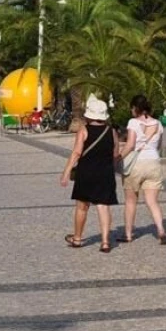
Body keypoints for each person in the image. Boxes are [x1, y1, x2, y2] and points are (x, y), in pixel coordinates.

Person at [60, 95, 119, 253]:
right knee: (103, 207)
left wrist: (66, 172)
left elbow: (76, 153)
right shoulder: (111, 132)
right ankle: (105, 242)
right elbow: (115, 155)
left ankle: (77, 239)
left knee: (82, 207)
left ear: (89, 115)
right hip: (105, 174)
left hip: (86, 173)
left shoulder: (83, 130)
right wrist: (110, 169)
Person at [117, 94, 166, 245]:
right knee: (152, 201)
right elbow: (159, 146)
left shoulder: (133, 122)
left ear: (135, 108)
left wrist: (118, 157)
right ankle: (160, 230)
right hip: (154, 163)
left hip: (136, 164)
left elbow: (131, 144)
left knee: (131, 201)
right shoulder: (158, 124)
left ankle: (128, 234)